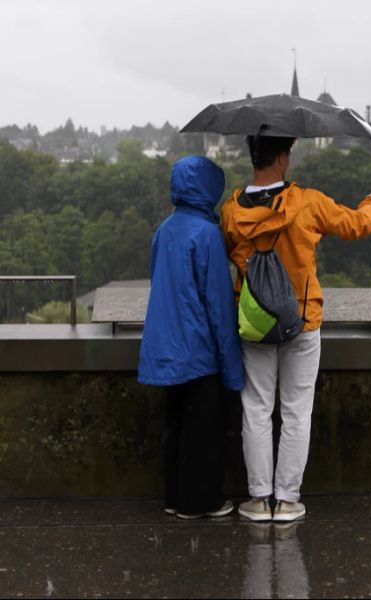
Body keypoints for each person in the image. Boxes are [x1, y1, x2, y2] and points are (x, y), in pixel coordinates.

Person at [221, 135, 371, 522]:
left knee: (256, 409)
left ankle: (259, 499)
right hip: (302, 320)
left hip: (254, 322)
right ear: (282, 158)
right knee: (296, 412)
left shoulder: (231, 211)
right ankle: (288, 499)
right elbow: (356, 224)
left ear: (253, 157)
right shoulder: (307, 202)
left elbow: (228, 252)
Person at [138, 155, 244, 519]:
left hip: (164, 345)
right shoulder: (208, 234)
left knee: (176, 426)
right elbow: (218, 305)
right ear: (208, 189)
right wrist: (232, 370)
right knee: (204, 431)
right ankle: (201, 502)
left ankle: (173, 497)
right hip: (197, 349)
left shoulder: (163, 230)